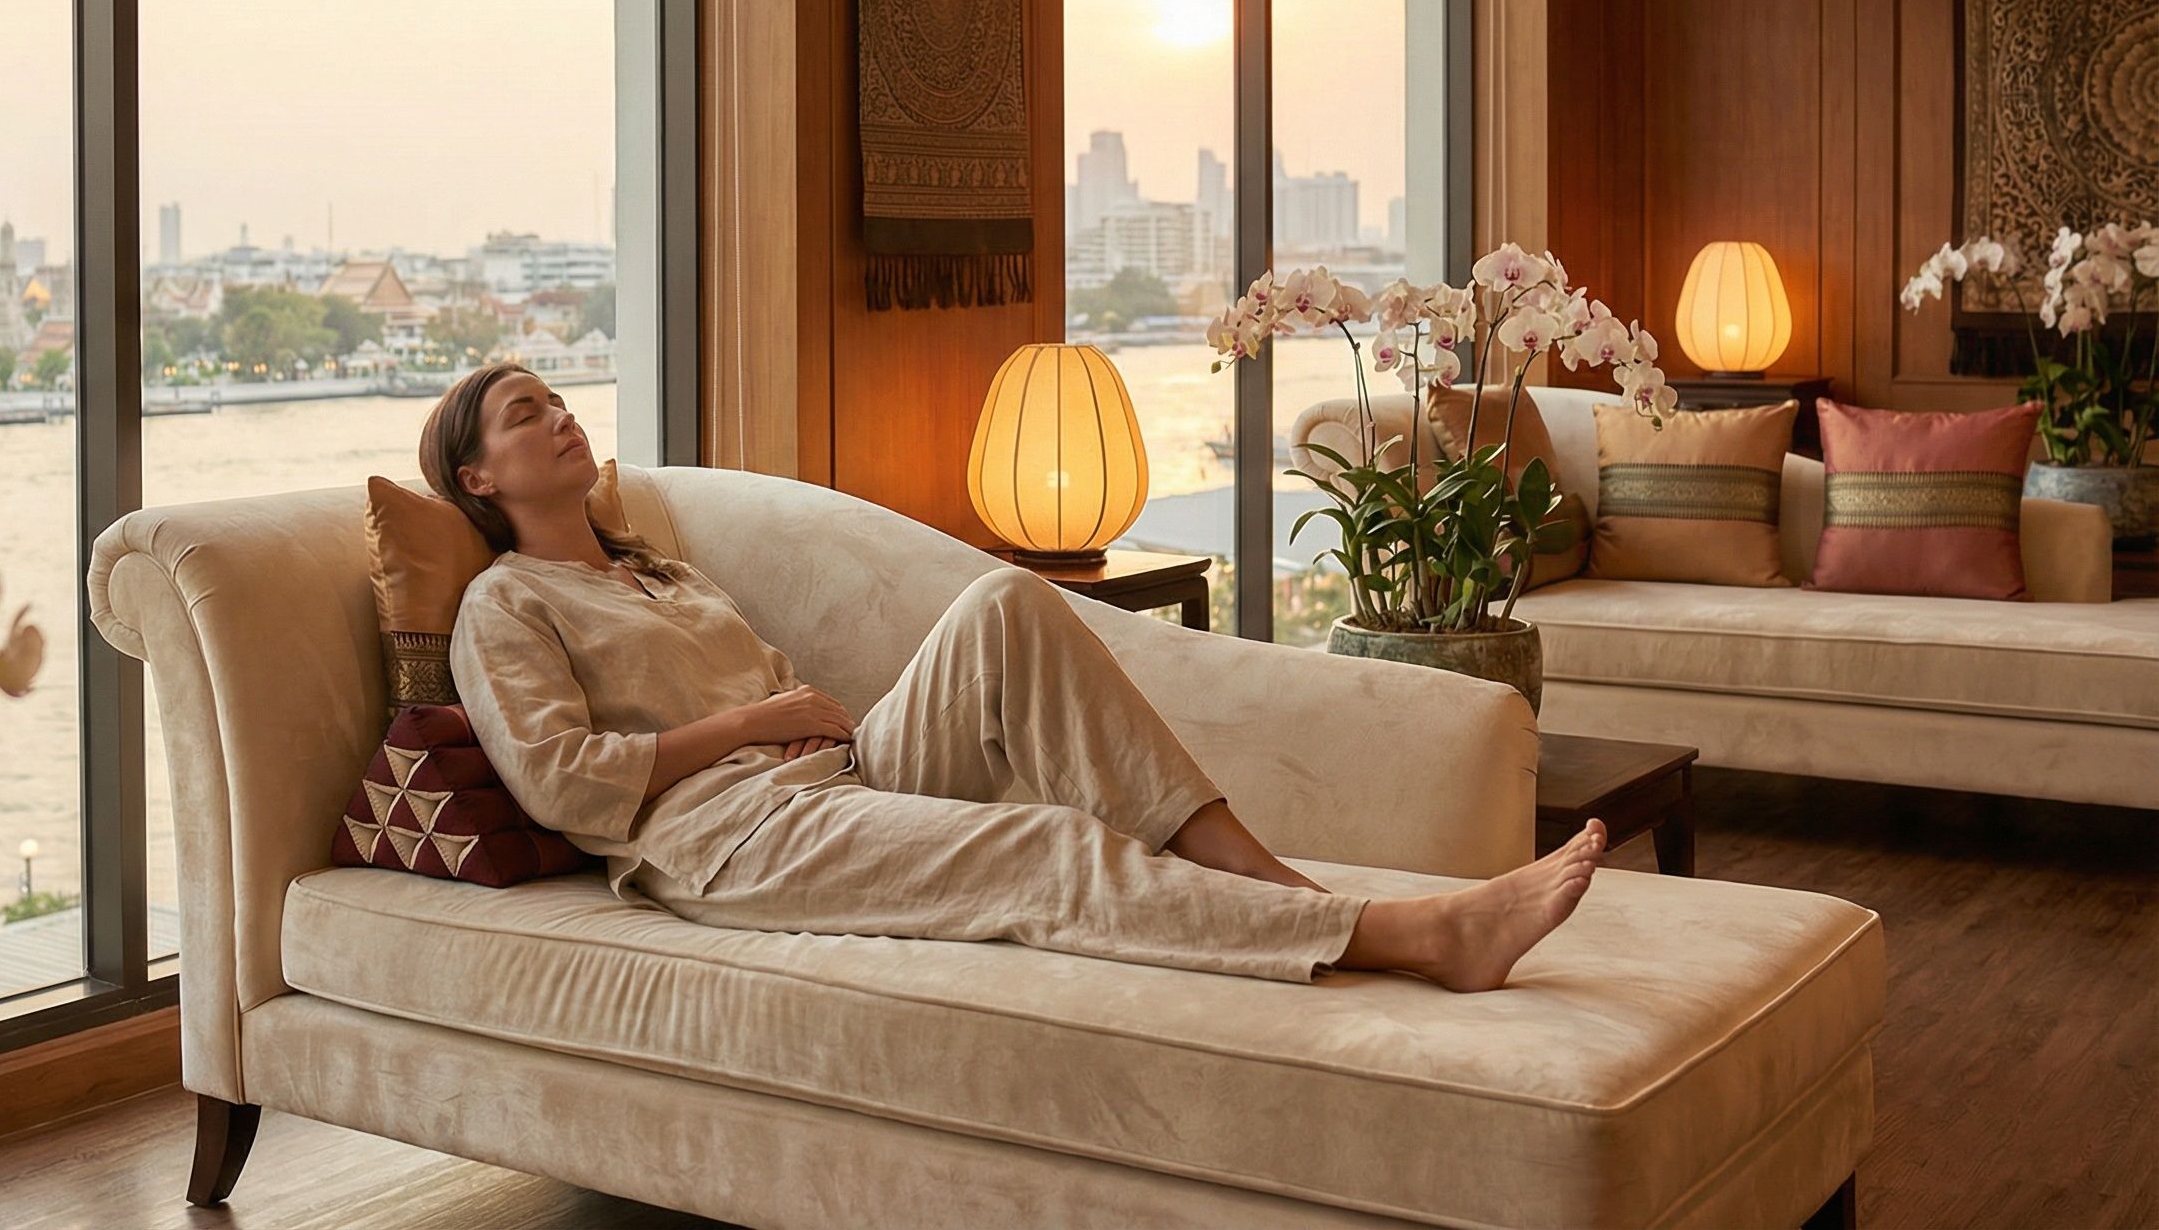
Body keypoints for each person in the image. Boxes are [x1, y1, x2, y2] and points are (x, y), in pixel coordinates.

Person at [422, 363, 1602, 990]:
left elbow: (781, 688)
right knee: (1044, 844)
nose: (565, 420)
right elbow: (562, 788)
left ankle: (1268, 879)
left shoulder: (659, 570)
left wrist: (795, 722)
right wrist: (750, 721)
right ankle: (1398, 936)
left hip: (836, 772)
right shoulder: (507, 606)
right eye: (529, 417)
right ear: (479, 479)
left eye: (562, 402)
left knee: (1005, 603)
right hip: (727, 837)